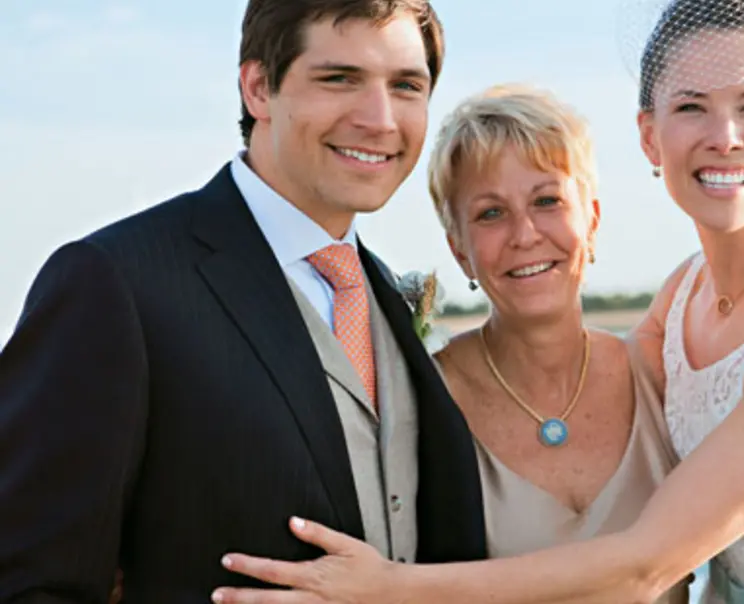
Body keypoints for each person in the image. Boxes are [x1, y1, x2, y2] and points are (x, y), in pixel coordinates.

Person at [211, 63, 744, 604]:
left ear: (591, 221)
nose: (525, 235)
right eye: (490, 214)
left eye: (547, 201)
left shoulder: (660, 361)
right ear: (459, 250)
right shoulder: (421, 398)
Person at [0, 0, 487, 601]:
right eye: (340, 78)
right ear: (258, 88)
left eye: (406, 85)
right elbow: (28, 583)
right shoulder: (115, 282)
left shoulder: (383, 292)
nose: (380, 119)